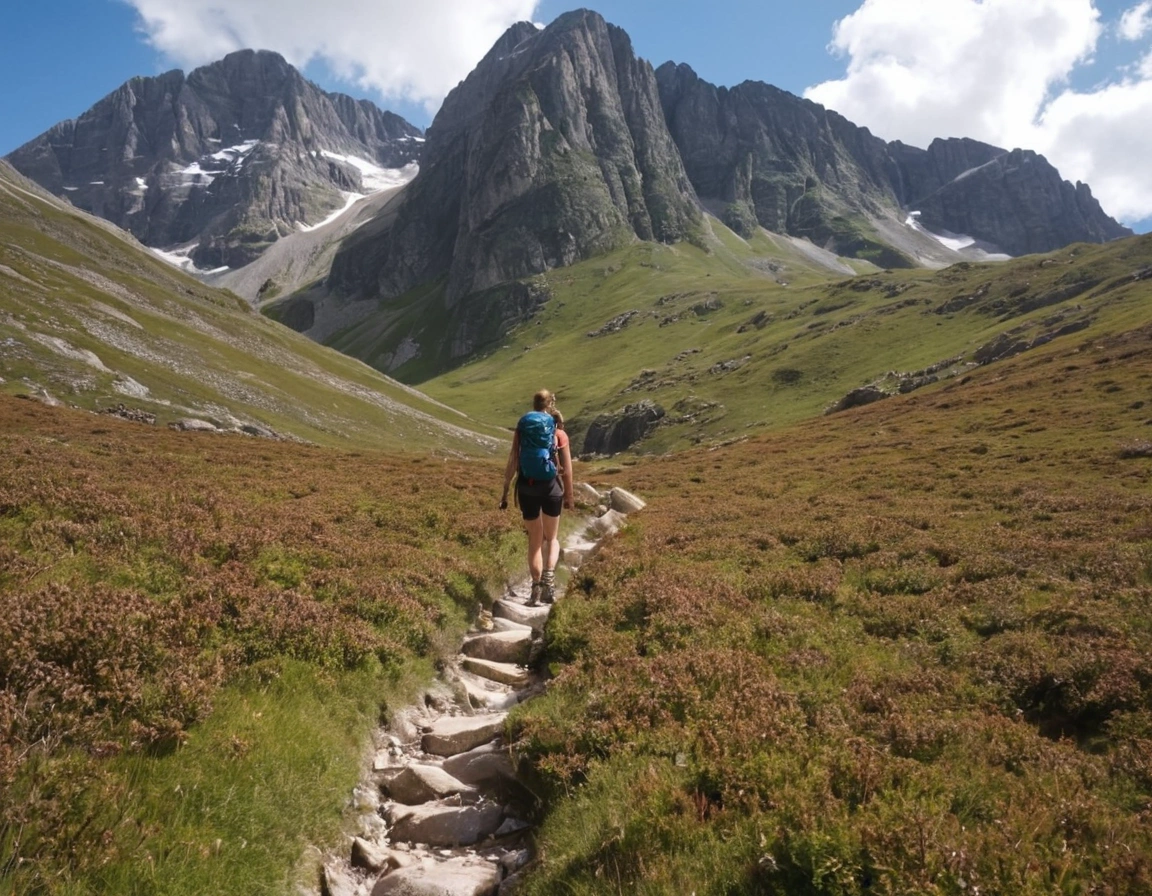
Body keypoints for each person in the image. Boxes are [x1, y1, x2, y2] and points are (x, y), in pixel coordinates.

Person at [500, 389, 574, 605]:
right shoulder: (559, 433)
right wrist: (569, 497)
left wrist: (505, 492)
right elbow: (567, 470)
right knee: (551, 539)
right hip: (551, 487)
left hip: (526, 487)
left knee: (534, 541)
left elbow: (513, 460)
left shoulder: (523, 427)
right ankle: (549, 582)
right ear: (551, 405)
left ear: (533, 405)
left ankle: (535, 587)